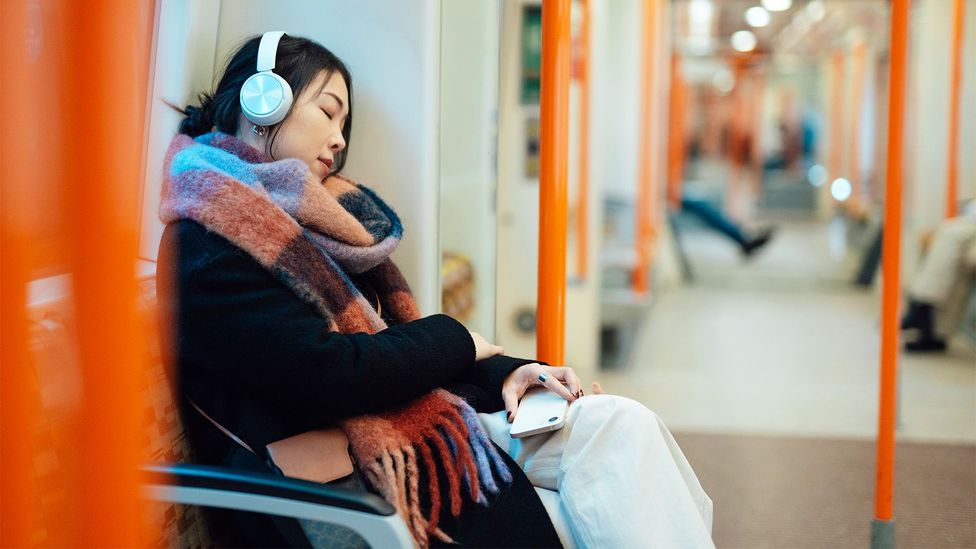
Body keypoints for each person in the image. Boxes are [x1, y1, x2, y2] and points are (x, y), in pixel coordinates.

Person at [157, 32, 713, 548]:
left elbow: (397, 348)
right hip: (337, 484)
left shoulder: (321, 226)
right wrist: (459, 339)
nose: (339, 138)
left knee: (623, 427)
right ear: (263, 100)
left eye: (344, 123)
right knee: (617, 500)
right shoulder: (206, 242)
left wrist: (511, 373)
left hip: (409, 435)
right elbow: (335, 376)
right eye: (328, 111)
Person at [901, 199, 976, 352]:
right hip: (956, 266)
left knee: (952, 236)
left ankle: (920, 317)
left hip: (939, 269)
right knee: (943, 312)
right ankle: (930, 332)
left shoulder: (957, 226)